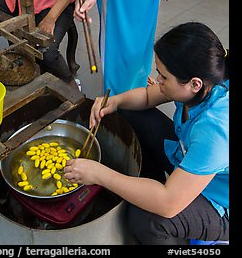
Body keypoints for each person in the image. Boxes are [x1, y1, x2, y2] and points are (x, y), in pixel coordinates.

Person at [64, 22, 229, 245]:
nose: (157, 80)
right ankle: (149, 185)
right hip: (192, 161)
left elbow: (168, 203)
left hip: (219, 199)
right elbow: (149, 96)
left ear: (194, 84)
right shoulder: (203, 82)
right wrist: (114, 101)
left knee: (148, 219)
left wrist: (99, 174)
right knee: (132, 114)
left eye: (164, 77)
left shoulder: (215, 130)